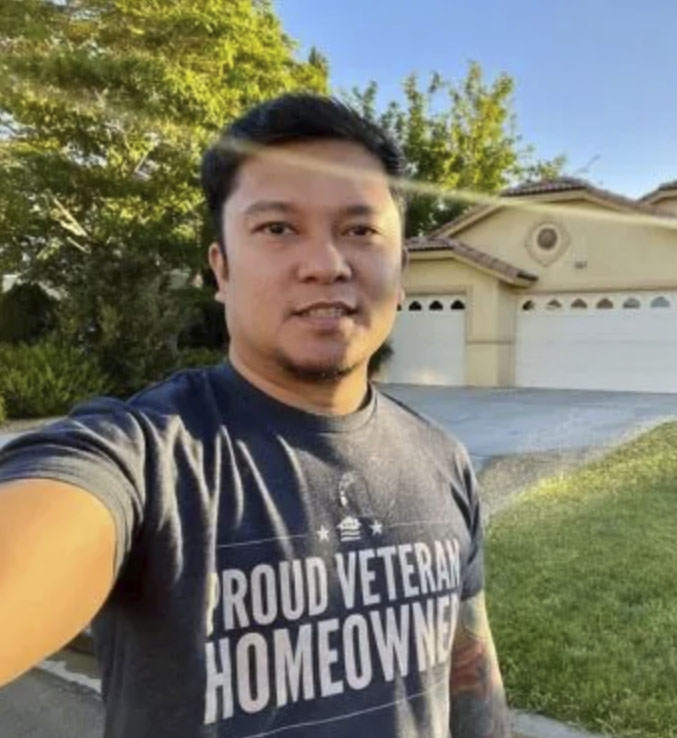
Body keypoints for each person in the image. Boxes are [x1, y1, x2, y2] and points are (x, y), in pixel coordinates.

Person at [0, 93, 509, 738]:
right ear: (221, 269)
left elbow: (470, 669)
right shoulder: (146, 458)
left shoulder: (445, 460)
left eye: (360, 230)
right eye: (277, 228)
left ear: (401, 270)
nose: (326, 264)